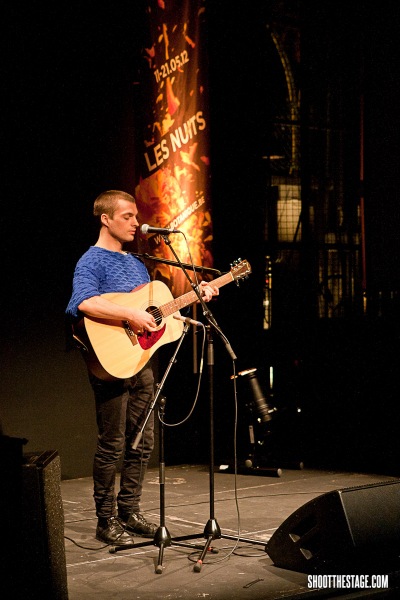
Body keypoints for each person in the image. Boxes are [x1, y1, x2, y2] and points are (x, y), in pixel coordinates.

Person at [66, 190, 218, 546]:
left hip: (142, 363)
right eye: (128, 217)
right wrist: (132, 314)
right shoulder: (91, 261)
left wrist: (185, 308)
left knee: (143, 442)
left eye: (136, 217)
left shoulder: (137, 262)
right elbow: (84, 302)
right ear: (106, 219)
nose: (136, 223)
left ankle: (129, 511)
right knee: (112, 443)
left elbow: (151, 310)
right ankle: (106, 520)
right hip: (111, 362)